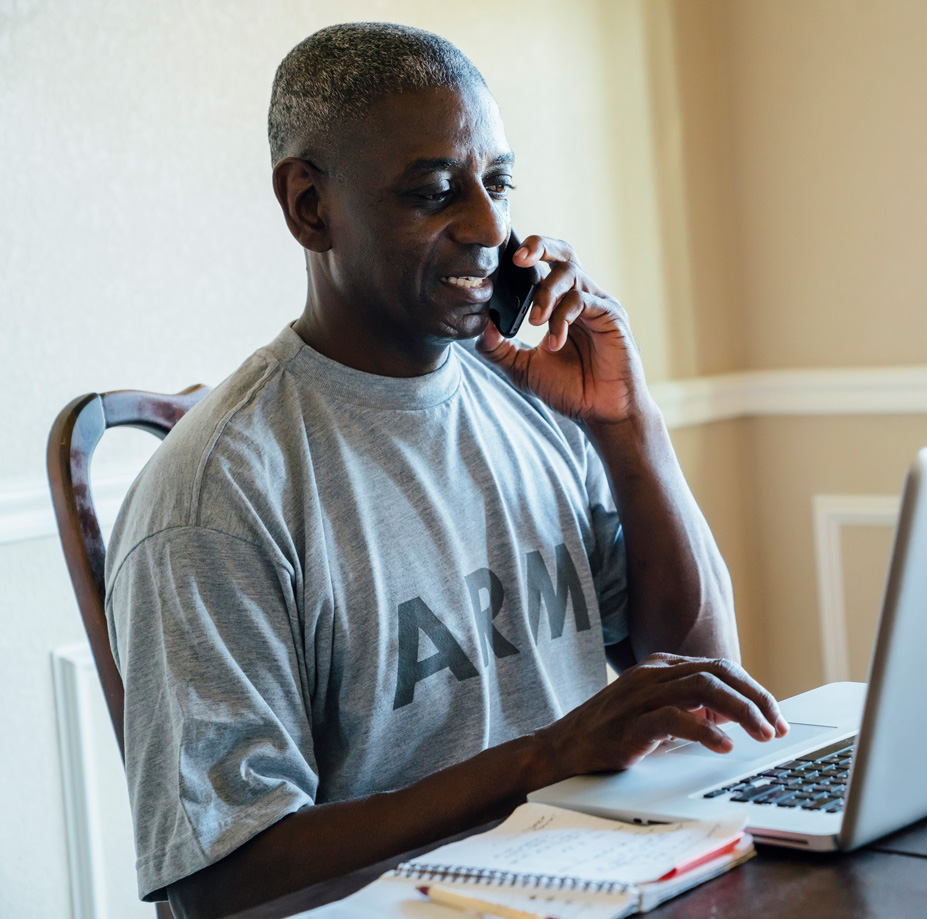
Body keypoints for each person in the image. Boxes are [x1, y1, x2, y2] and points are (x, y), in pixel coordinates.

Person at [104, 22, 785, 919]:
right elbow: (218, 881)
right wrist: (544, 759)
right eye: (434, 193)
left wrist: (626, 425)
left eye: (497, 182)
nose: (491, 227)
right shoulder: (218, 495)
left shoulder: (535, 403)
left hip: (598, 881)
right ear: (311, 207)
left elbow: (698, 669)